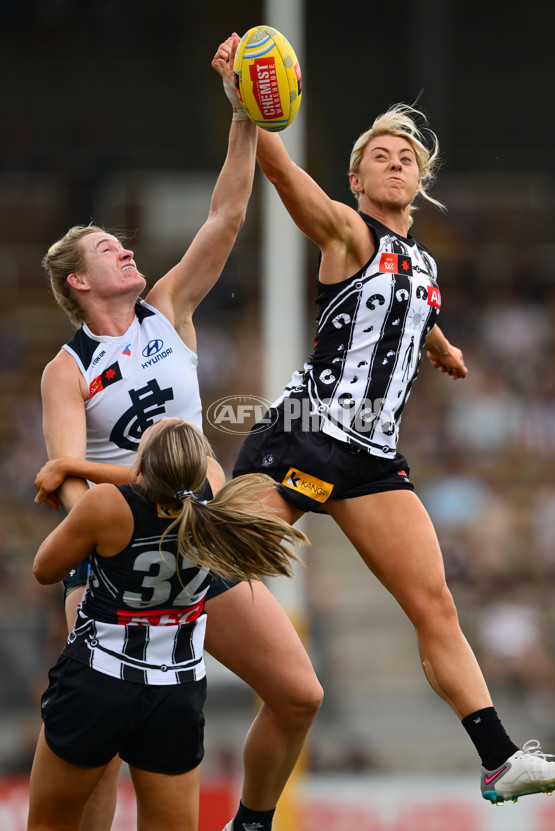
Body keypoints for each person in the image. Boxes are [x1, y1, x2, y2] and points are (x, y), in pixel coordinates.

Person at [212, 36, 555, 805]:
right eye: (379, 155)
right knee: (210, 564)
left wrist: (443, 347)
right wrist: (250, 106)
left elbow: (414, 310)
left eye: (405, 155)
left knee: (435, 602)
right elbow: (288, 184)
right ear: (356, 179)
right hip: (308, 429)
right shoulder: (350, 233)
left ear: (421, 178)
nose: (394, 161)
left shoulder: (425, 265)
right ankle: (116, 627)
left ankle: (499, 757)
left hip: (374, 457)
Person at [36, 34, 323, 831]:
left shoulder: (168, 311)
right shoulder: (67, 367)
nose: (126, 248)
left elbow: (228, 212)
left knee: (300, 691)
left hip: (203, 532)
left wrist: (242, 111)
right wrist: (134, 495)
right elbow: (62, 471)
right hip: (117, 551)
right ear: (78, 283)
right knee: (96, 755)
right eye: (107, 247)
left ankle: (253, 820)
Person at [29, 417, 307, 831]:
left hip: (98, 679)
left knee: (51, 824)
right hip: (175, 692)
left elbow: (44, 570)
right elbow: (191, 474)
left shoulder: (106, 505)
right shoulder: (214, 494)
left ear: (139, 470)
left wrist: (72, 469)